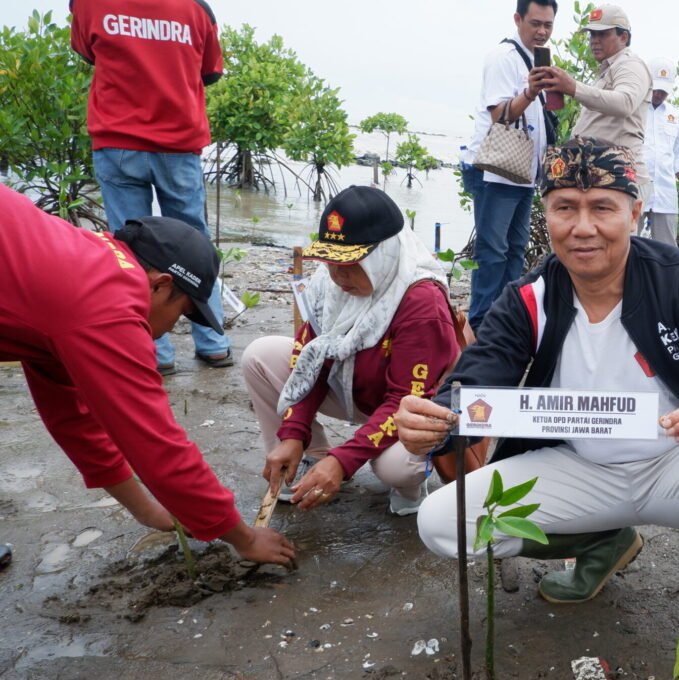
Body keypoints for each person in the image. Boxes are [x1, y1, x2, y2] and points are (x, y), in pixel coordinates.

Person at [396, 139, 679, 680]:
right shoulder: (529, 296)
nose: (583, 227)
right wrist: (438, 415)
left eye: (602, 207)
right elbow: (476, 381)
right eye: (565, 207)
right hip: (581, 467)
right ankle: (602, 542)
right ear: (547, 215)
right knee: (442, 523)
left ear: (634, 213)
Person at [0, 184, 295, 567]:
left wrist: (149, 512)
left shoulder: (81, 271)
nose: (173, 328)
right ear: (161, 285)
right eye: (183, 313)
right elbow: (156, 445)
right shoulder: (109, 305)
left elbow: (73, 418)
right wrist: (243, 536)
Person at [242, 186, 461, 516]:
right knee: (259, 356)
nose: (337, 275)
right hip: (353, 386)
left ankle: (412, 488)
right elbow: (311, 363)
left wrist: (343, 461)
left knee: (395, 467)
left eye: (350, 264)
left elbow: (404, 399)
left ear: (382, 255)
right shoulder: (328, 284)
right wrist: (292, 433)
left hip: (409, 408)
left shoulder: (420, 301)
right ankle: (309, 456)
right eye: (330, 262)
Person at [70, 0, 232, 375]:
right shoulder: (197, 10)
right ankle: (214, 344)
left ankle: (152, 352)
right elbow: (210, 72)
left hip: (117, 140)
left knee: (130, 248)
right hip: (178, 142)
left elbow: (88, 53)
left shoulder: (87, 4)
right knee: (195, 241)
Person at [465, 0, 558, 332]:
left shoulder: (538, 59)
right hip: (495, 169)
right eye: (535, 23)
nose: (542, 31)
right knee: (493, 250)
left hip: (522, 173)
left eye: (548, 25)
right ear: (517, 19)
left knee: (515, 249)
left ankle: (502, 319)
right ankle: (480, 323)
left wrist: (554, 90)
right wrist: (531, 93)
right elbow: (499, 114)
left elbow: (543, 116)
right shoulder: (503, 58)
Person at [535, 4, 652, 199]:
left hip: (620, 175)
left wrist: (573, 87)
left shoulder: (629, 64)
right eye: (592, 35)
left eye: (603, 34)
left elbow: (625, 103)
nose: (594, 41)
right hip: (605, 174)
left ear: (624, 37)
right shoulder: (609, 69)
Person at [639, 57, 679, 246]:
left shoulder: (677, 117)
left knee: (667, 253)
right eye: (656, 88)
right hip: (635, 192)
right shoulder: (633, 109)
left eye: (664, 90)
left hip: (665, 195)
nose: (659, 94)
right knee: (627, 249)